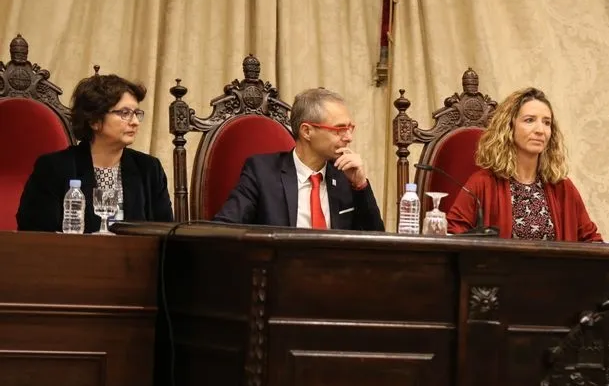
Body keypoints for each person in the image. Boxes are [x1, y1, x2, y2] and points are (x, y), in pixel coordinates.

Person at [17, 72, 173, 232]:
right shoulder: (54, 168)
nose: (134, 122)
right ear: (94, 120)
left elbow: (165, 234)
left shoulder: (149, 169)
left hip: (134, 257)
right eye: (125, 113)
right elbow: (35, 231)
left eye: (136, 114)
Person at [214, 87, 385, 231]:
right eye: (339, 129)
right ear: (307, 131)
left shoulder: (345, 176)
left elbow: (377, 243)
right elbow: (225, 230)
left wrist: (360, 185)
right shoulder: (262, 172)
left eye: (350, 128)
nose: (349, 137)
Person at [447, 87, 602, 242]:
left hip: (554, 267)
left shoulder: (563, 188)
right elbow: (453, 233)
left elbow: (592, 241)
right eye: (529, 120)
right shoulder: (482, 183)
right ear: (509, 127)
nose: (540, 130)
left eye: (547, 123)